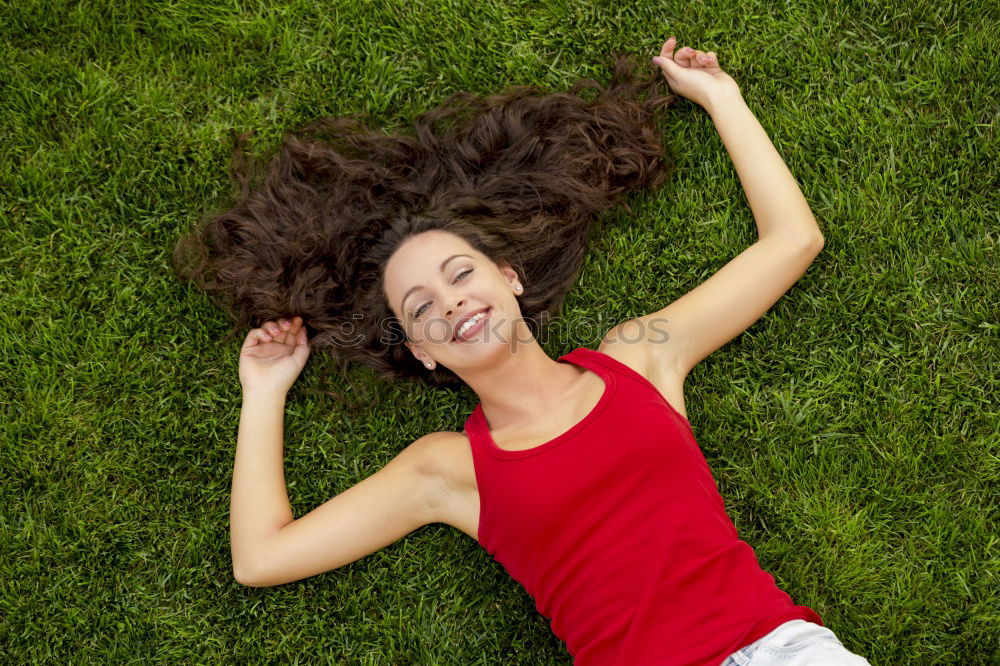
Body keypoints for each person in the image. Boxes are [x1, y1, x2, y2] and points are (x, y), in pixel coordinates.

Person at [173, 35, 872, 666]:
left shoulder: (639, 357)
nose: (451, 304)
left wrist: (724, 98)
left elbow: (792, 241)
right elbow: (260, 557)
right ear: (421, 349)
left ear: (509, 279)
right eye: (421, 309)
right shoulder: (446, 469)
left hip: (786, 650)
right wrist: (264, 393)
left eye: (461, 274)